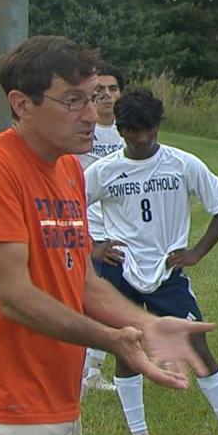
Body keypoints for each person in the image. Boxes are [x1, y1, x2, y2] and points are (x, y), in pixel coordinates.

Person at [0, 36, 212, 435]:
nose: (92, 114)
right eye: (73, 101)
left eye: (94, 97)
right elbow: (16, 296)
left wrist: (146, 325)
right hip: (5, 401)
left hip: (57, 396)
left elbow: (81, 282)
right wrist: (112, 340)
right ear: (21, 105)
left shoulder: (68, 168)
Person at [85, 90, 218, 435]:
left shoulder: (182, 164)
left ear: (158, 126)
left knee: (196, 348)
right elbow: (70, 206)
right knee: (125, 349)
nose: (142, 139)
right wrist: (93, 247)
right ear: (121, 130)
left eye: (149, 130)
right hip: (120, 271)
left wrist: (196, 253)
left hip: (167, 273)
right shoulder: (103, 170)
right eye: (132, 131)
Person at [79, 64, 128, 394]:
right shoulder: (81, 128)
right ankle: (81, 371)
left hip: (118, 229)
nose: (106, 96)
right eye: (100, 91)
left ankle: (91, 370)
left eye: (112, 89)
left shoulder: (128, 130)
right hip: (86, 226)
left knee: (112, 301)